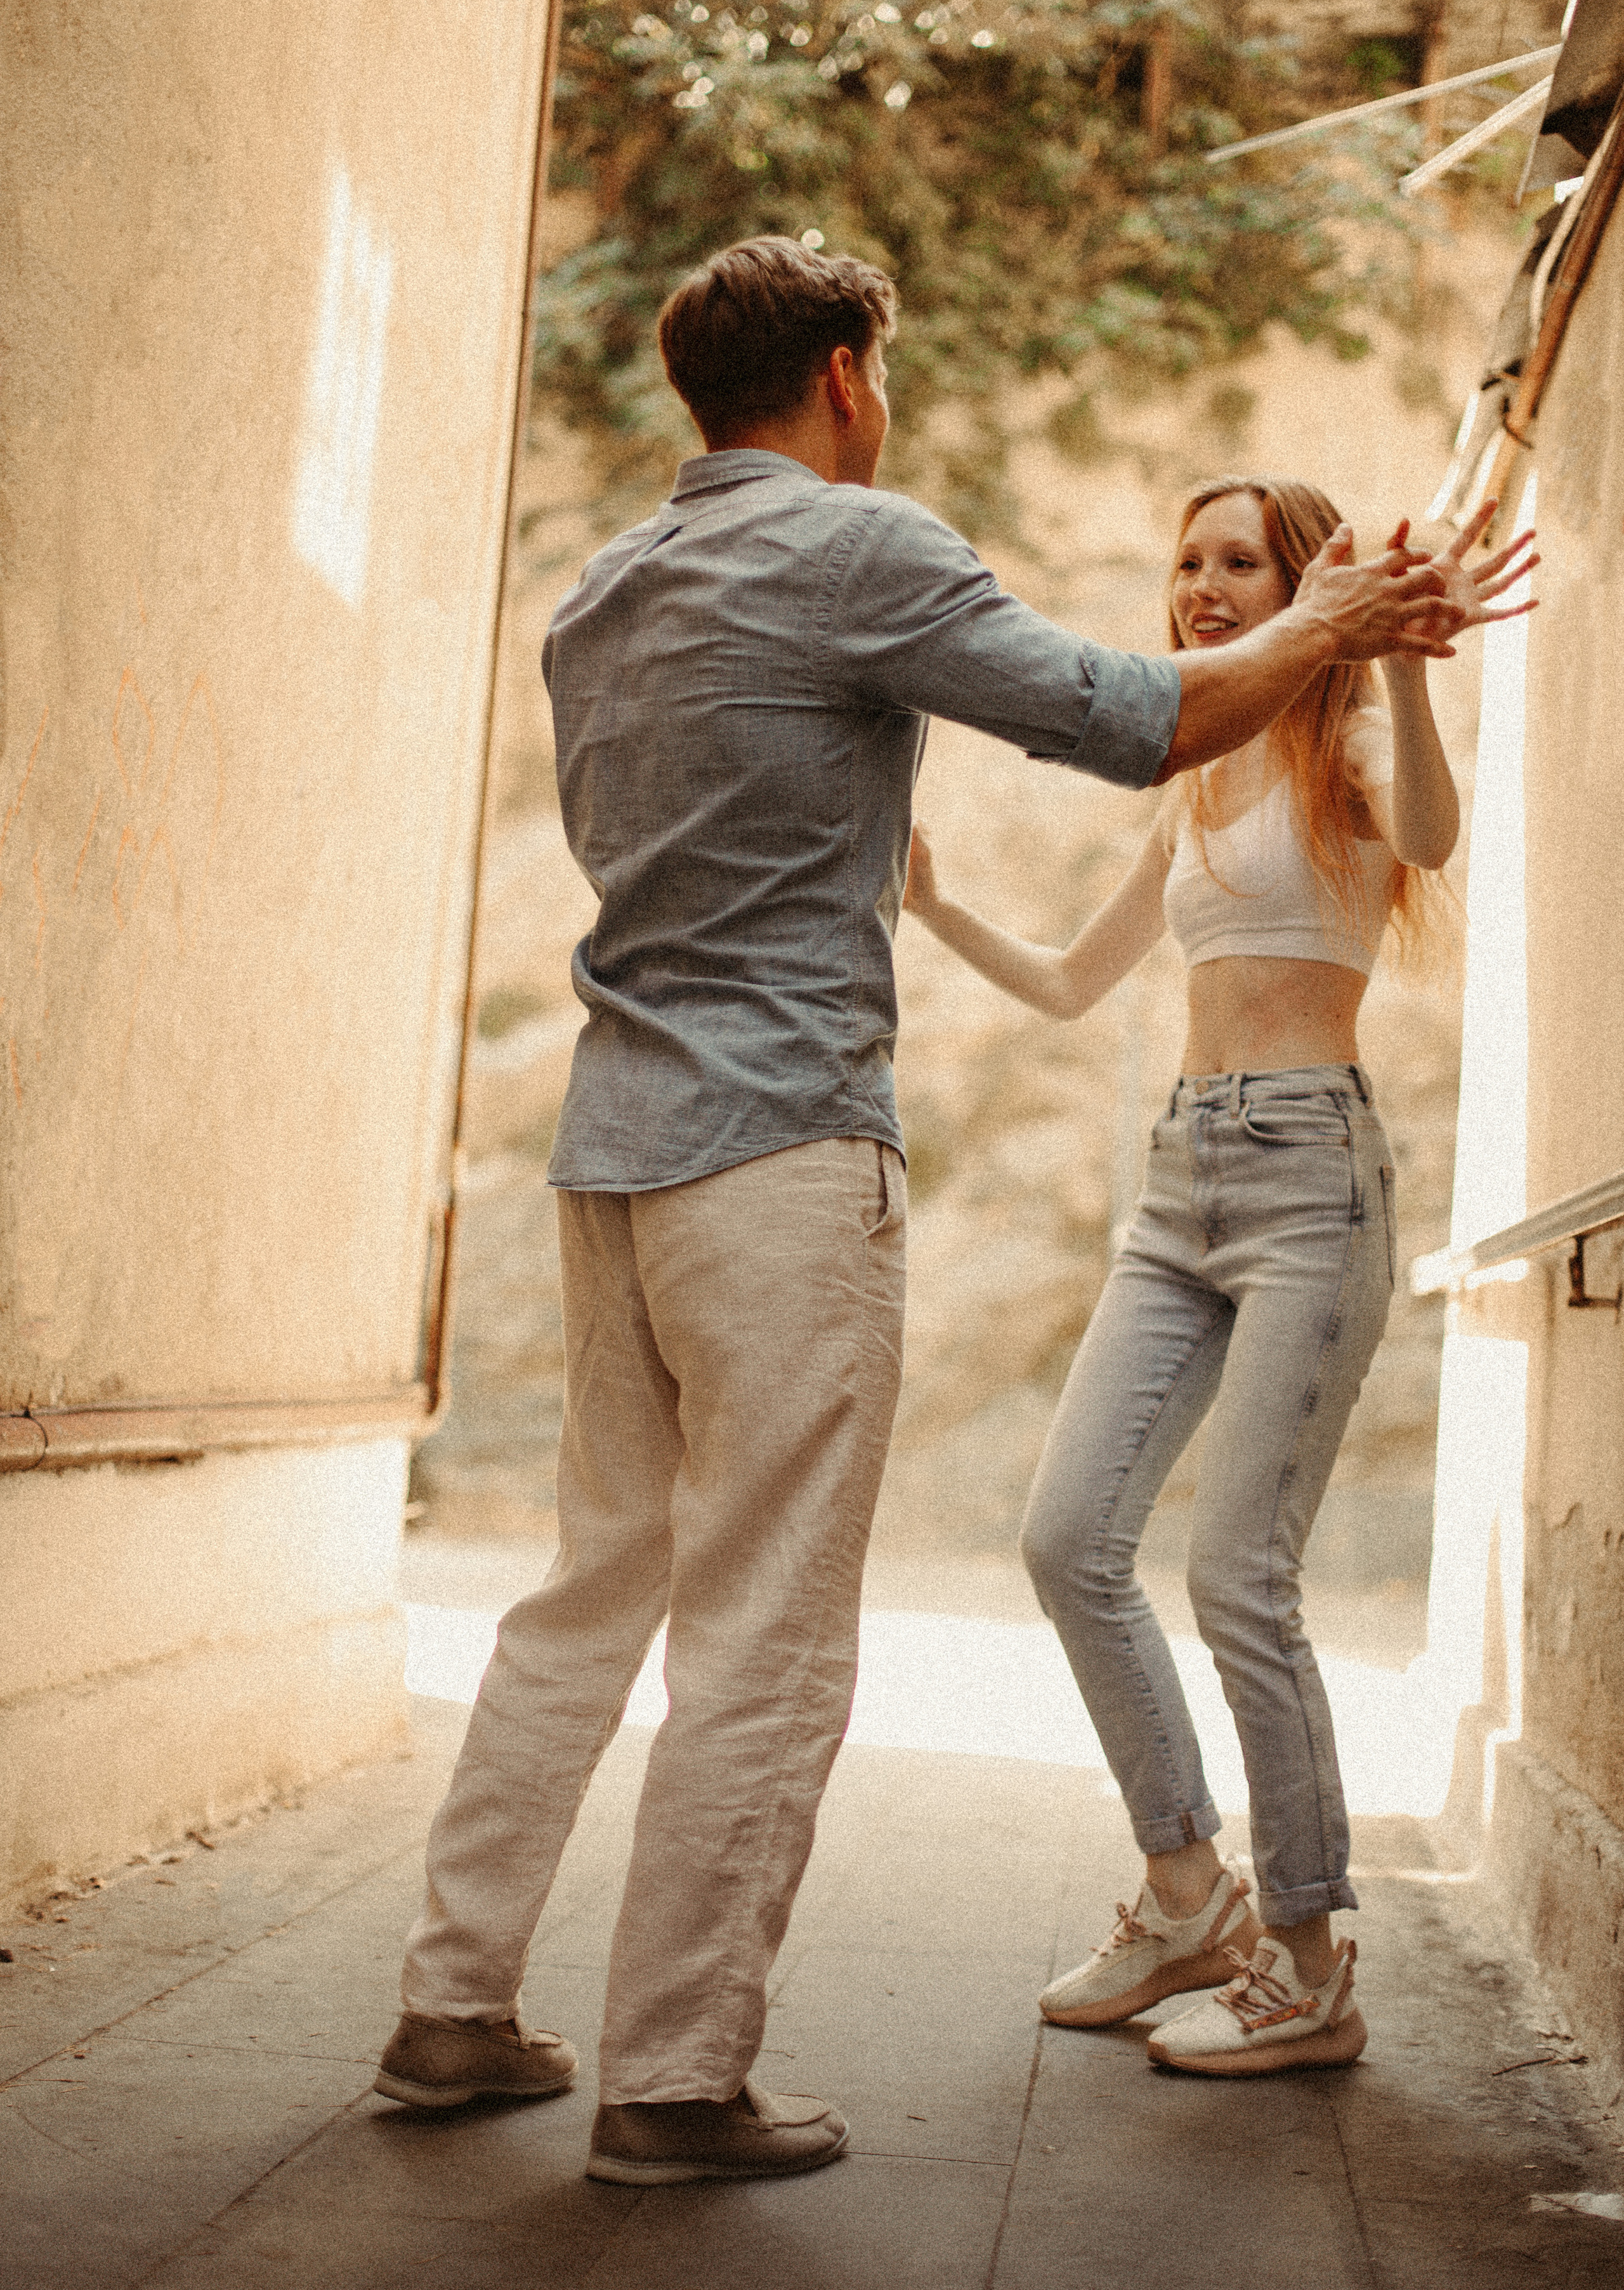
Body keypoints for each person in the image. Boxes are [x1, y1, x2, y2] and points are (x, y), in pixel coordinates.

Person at [372, 241, 1488, 2180]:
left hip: (614, 1150)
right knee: (769, 1632)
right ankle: (675, 2079)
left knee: (585, 1593)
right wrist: (1335, 616)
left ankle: (453, 2006)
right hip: (785, 1152)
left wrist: (1335, 648)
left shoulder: (602, 592)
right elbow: (1127, 706)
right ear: (840, 376)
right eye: (878, 372)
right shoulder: (857, 548)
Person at [903, 476, 1534, 2077]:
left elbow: (1439, 838)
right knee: (1066, 1541)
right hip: (1179, 1181)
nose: (1197, 585)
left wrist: (1389, 653)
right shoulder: (1191, 771)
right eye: (1182, 561)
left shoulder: (1347, 754)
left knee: (1237, 1577)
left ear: (1299, 580)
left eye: (1234, 562)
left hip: (1309, 1179)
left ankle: (1308, 1962)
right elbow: (1066, 985)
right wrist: (934, 904)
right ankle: (1188, 1893)